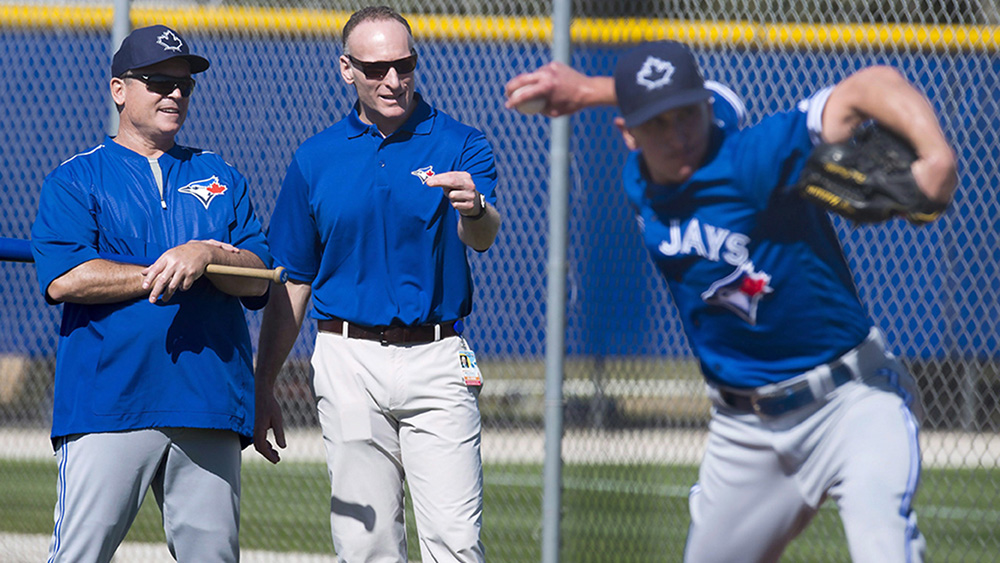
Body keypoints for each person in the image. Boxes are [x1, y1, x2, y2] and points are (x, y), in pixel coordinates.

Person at [505, 42, 957, 562]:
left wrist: (936, 157)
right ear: (626, 133)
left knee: (886, 549)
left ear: (704, 108)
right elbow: (696, 97)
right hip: (745, 433)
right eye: (656, 125)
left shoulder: (753, 157)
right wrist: (589, 90)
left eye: (687, 116)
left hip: (851, 402)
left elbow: (870, 83)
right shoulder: (640, 181)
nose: (678, 138)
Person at [253, 6, 500, 562]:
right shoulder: (315, 158)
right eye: (375, 68)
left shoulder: (460, 142)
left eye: (404, 64)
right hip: (347, 360)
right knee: (366, 547)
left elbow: (481, 236)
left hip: (438, 357)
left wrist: (476, 207)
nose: (393, 80)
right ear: (346, 69)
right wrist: (263, 381)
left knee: (456, 543)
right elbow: (293, 280)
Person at [31, 24, 271, 563]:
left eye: (185, 85)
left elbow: (260, 280)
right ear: (120, 90)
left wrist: (208, 255)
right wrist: (168, 268)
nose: (176, 94)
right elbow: (65, 278)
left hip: (207, 400)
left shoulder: (220, 175)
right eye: (159, 81)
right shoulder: (76, 178)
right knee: (79, 555)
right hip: (109, 401)